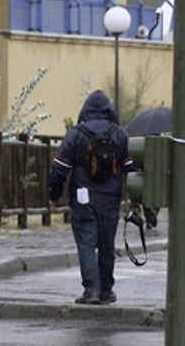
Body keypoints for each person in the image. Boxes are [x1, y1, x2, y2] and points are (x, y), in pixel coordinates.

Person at [47, 89, 135, 305]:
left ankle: (91, 290)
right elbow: (131, 170)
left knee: (86, 243)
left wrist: (54, 195)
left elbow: (59, 168)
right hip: (111, 200)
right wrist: (136, 201)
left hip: (83, 199)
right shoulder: (120, 134)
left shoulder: (76, 134)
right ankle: (106, 290)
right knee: (106, 245)